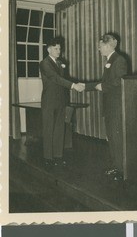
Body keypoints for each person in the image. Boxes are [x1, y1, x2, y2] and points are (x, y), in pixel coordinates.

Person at [85, 33, 128, 181]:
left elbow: (119, 81)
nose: (98, 49)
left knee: (116, 138)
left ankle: (122, 170)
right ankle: (116, 166)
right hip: (110, 106)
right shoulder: (110, 60)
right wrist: (92, 86)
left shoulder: (119, 59)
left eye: (100, 46)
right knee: (112, 137)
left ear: (108, 46)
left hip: (116, 106)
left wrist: (101, 86)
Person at [39, 36, 84, 168]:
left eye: (59, 48)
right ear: (49, 50)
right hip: (49, 101)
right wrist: (73, 85)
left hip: (60, 100)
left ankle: (58, 156)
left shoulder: (59, 63)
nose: (59, 51)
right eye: (55, 48)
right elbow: (56, 78)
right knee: (49, 129)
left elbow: (63, 79)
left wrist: (75, 83)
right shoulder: (44, 63)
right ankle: (48, 157)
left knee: (59, 128)